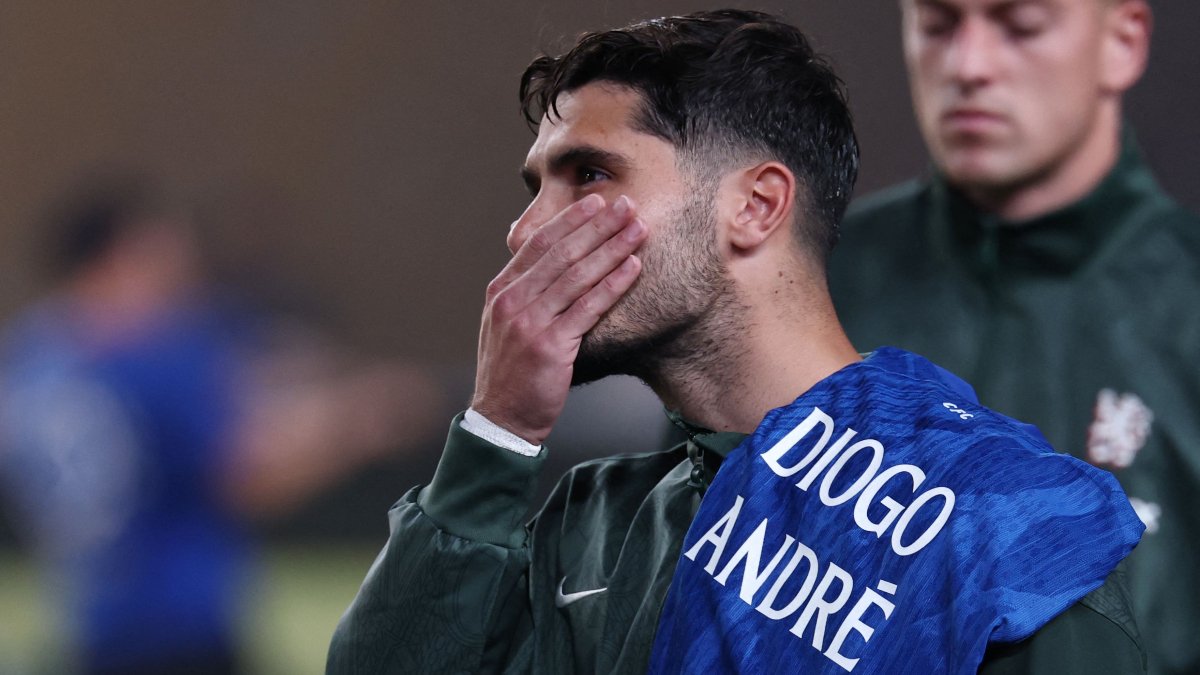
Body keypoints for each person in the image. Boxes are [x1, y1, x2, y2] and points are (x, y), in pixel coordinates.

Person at [328, 10, 1147, 674]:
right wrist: (498, 429)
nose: (524, 232)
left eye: (590, 174)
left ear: (755, 208)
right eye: (536, 188)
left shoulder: (985, 522)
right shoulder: (598, 522)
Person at [827, 2, 1198, 673]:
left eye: (1020, 25)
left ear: (1123, 40)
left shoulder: (1188, 305)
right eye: (938, 24)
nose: (968, 66)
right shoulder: (812, 285)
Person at [0, 175, 444, 674]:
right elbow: (245, 475)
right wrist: (358, 427)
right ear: (122, 255)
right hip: (177, 627)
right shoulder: (151, 354)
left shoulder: (34, 359)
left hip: (90, 617)